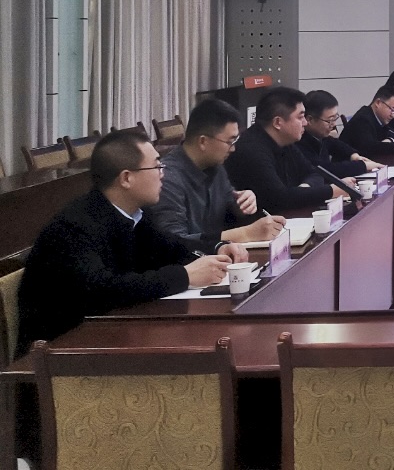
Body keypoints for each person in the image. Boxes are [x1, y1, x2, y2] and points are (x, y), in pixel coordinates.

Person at [16, 131, 235, 355]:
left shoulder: (134, 214)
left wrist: (217, 248)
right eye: (157, 167)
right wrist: (184, 276)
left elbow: (170, 247)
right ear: (126, 178)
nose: (163, 174)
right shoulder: (73, 227)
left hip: (109, 337)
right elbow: (105, 290)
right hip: (60, 354)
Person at [147, 98, 287, 253]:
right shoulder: (167, 178)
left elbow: (228, 209)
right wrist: (246, 233)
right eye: (230, 142)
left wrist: (241, 205)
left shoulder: (215, 165)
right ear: (203, 142)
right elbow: (175, 243)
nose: (233, 149)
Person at [224, 86, 352, 214]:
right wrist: (331, 191)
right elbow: (280, 198)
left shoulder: (286, 142)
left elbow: (315, 174)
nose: (305, 123)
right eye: (300, 117)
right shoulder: (252, 150)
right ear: (278, 122)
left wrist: (304, 190)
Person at [297, 90, 383, 178]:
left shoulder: (320, 136)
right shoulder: (299, 143)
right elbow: (325, 169)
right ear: (310, 120)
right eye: (330, 120)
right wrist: (363, 166)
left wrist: (354, 156)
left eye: (335, 118)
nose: (334, 124)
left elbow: (334, 144)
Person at [341, 85, 394, 159]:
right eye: (392, 109)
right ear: (378, 103)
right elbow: (370, 148)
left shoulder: (378, 118)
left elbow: (390, 133)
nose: (393, 115)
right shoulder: (362, 119)